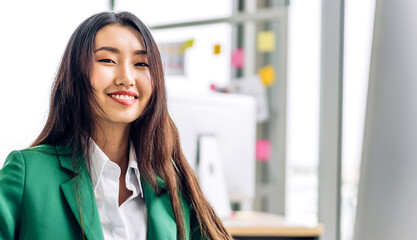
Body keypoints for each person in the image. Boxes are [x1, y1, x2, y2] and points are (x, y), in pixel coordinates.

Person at [0, 11, 232, 240]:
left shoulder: (173, 188)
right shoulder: (27, 173)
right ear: (76, 73)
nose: (127, 78)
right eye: (108, 60)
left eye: (141, 63)